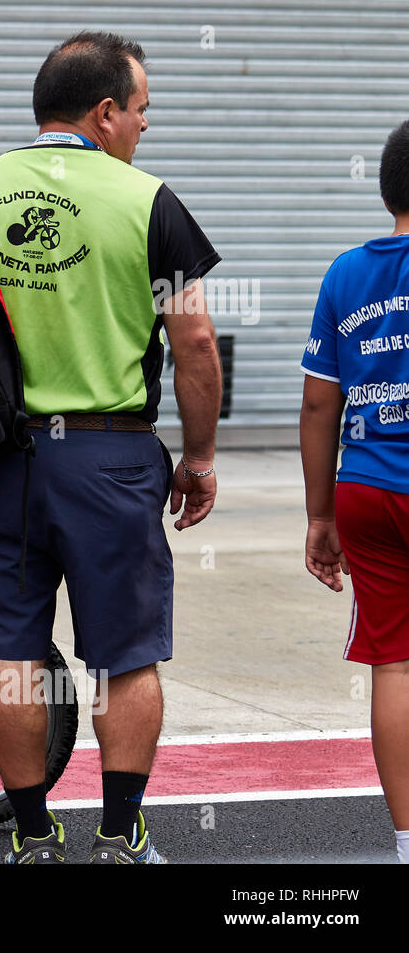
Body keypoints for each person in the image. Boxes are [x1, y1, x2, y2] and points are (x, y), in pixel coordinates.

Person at [0, 32, 222, 862]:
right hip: (106, 456)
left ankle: (30, 837)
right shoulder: (149, 201)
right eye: (139, 111)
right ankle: (122, 834)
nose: (142, 129)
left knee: (7, 652)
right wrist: (198, 460)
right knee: (123, 655)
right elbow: (194, 340)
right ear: (102, 113)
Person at [300, 120, 409, 865]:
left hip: (366, 488)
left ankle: (406, 841)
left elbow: (318, 407)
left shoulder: (346, 274)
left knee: (394, 662)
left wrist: (318, 515)